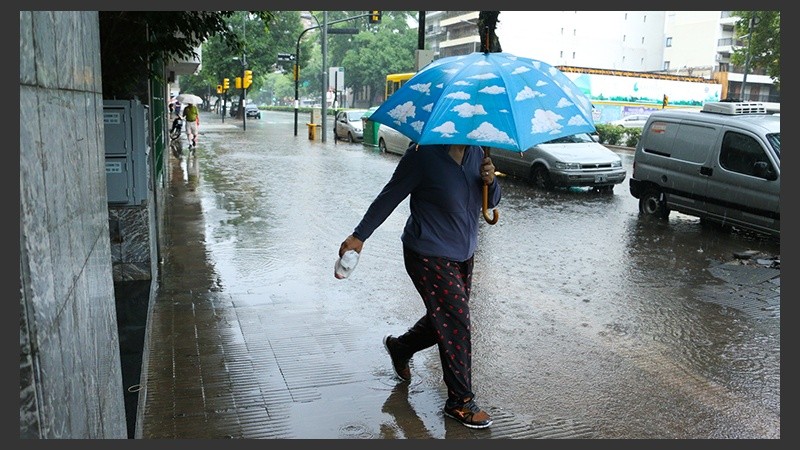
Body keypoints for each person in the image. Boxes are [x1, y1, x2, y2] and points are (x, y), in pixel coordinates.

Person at [337, 142, 501, 429]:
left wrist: (491, 180)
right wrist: (359, 236)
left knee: (448, 317)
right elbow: (390, 196)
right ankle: (460, 401)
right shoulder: (422, 154)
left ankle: (401, 347)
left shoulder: (478, 153)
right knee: (456, 319)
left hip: (464, 253)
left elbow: (490, 202)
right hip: (427, 252)